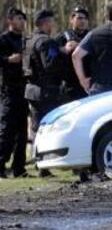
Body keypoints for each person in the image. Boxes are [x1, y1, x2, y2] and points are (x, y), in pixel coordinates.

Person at [24, 9, 65, 151]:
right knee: (49, 126)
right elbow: (50, 65)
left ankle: (35, 156)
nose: (53, 25)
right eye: (52, 22)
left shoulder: (29, 40)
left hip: (32, 90)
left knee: (36, 126)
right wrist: (61, 52)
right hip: (46, 92)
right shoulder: (47, 41)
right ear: (46, 23)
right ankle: (46, 157)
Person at [0, 8, 29, 178]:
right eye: (19, 18)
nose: (22, 22)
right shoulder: (3, 39)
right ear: (10, 21)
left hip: (24, 89)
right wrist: (7, 60)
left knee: (22, 132)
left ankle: (19, 167)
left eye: (23, 19)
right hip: (8, 90)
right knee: (6, 129)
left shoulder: (25, 40)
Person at [55, 6, 91, 102]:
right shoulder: (63, 37)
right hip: (69, 85)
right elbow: (52, 55)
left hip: (87, 82)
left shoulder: (91, 36)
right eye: (79, 18)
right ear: (71, 20)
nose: (83, 21)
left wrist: (79, 47)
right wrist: (64, 49)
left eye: (85, 18)